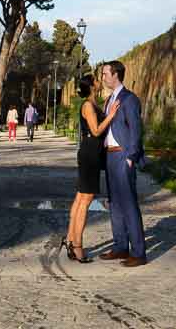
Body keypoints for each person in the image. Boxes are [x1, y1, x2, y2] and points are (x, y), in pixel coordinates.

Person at [61, 74, 121, 263]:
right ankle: (77, 246)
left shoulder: (94, 103)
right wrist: (111, 115)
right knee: (85, 200)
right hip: (89, 155)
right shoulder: (87, 105)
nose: (99, 80)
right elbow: (95, 131)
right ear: (92, 86)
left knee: (80, 198)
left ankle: (70, 239)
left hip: (90, 153)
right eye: (96, 79)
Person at [99, 60, 147, 267]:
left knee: (128, 204)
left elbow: (136, 130)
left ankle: (138, 253)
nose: (103, 77)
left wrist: (131, 157)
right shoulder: (109, 99)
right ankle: (120, 247)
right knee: (114, 204)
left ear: (115, 74)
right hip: (109, 156)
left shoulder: (129, 99)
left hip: (122, 156)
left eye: (105, 73)